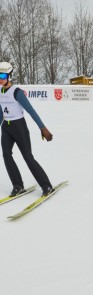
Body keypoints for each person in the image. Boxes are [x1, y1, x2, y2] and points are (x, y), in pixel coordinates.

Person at [0, 61, 54, 197]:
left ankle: (46, 185)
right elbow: (1, 113)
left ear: (9, 76)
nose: (0, 78)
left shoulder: (17, 92)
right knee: (6, 155)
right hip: (6, 127)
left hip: (19, 127)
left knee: (28, 157)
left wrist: (43, 128)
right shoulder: (0, 91)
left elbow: (31, 110)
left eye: (2, 75)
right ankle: (18, 185)